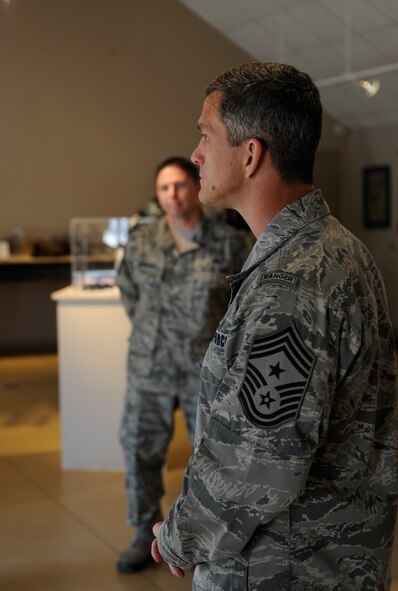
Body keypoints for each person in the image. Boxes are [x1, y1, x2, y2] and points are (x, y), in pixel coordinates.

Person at [151, 62, 398, 590]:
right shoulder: (335, 252)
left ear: (250, 153)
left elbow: (252, 466)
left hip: (281, 571)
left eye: (205, 134)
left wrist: (178, 536)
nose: (196, 153)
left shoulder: (292, 285)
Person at [114, 156, 250, 573]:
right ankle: (143, 533)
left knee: (209, 457)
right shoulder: (141, 241)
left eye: (180, 186)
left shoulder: (228, 243)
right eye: (164, 188)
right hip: (148, 368)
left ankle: (200, 535)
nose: (173, 195)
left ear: (197, 186)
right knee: (139, 451)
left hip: (203, 371)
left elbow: (239, 307)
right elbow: (128, 291)